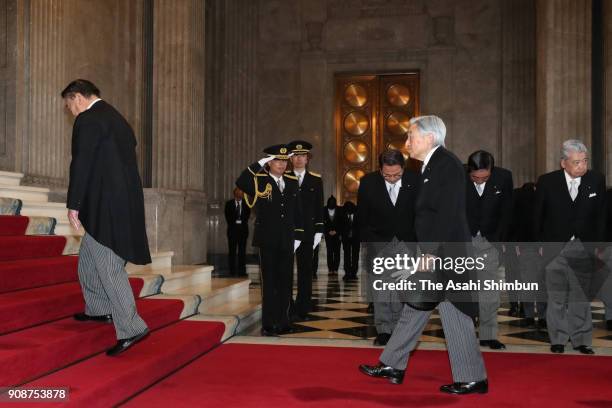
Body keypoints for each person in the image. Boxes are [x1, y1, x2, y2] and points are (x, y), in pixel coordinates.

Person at [359, 115, 488, 395]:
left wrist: (429, 251)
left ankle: (473, 378)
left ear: (429, 138)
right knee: (416, 306)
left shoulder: (447, 164)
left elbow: (448, 213)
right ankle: (393, 364)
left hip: (445, 253)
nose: (407, 142)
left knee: (455, 312)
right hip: (439, 251)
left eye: (411, 136)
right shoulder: (433, 165)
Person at [62, 79, 151, 356]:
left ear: (77, 97)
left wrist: (73, 204)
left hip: (107, 207)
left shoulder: (88, 119)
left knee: (108, 267)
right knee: (89, 257)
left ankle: (132, 326)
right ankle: (99, 309)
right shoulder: (117, 118)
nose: (70, 112)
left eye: (69, 105)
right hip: (122, 203)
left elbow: (82, 162)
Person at [534, 139, 606, 354]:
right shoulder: (547, 182)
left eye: (585, 161)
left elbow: (602, 216)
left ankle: (582, 339)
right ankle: (557, 339)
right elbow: (537, 216)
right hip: (555, 246)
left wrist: (597, 246)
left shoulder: (596, 180)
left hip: (584, 246)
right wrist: (538, 245)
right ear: (563, 163)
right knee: (556, 296)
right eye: (576, 162)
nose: (582, 166)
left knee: (580, 296)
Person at [235, 145, 303, 336]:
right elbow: (240, 181)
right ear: (269, 162)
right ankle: (269, 323)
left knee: (286, 281)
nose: (281, 164)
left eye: (284, 161)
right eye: (276, 160)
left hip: (287, 239)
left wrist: (298, 234)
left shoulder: (291, 181)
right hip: (267, 240)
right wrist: (259, 164)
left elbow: (297, 209)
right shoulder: (259, 180)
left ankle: (284, 321)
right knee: (270, 283)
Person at [357, 149, 419, 346]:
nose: (392, 179)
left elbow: (422, 213)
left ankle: (400, 330)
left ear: (403, 168)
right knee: (382, 287)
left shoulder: (416, 180)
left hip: (406, 241)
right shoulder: (368, 182)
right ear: (380, 169)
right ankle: (384, 329)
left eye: (397, 174)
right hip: (379, 241)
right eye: (387, 175)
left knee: (403, 288)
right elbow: (362, 216)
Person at [465, 150, 513, 350]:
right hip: (462, 240)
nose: (479, 181)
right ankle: (463, 334)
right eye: (475, 177)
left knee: (489, 291)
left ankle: (488, 334)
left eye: (484, 178)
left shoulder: (504, 177)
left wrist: (500, 242)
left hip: (489, 241)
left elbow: (507, 211)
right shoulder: (457, 176)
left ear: (491, 171)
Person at [286, 140, 324, 321]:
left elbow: (319, 207)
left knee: (305, 271)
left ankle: (303, 306)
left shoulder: (315, 180)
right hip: (287, 233)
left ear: (307, 159)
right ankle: (287, 305)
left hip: (308, 234)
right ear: (290, 159)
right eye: (295, 156)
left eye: (302, 156)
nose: (299, 159)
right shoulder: (283, 178)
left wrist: (319, 231)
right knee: (285, 271)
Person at [514, 182, 547, 329]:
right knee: (538, 283)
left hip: (531, 246)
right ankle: (540, 316)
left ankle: (532, 315)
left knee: (531, 283)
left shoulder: (522, 201)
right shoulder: (534, 202)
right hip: (531, 246)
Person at [224, 187, 250, 276]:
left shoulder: (246, 204)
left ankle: (242, 271)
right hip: (232, 232)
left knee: (242, 252)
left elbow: (247, 216)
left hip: (243, 232)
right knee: (232, 252)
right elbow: (228, 217)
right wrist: (236, 221)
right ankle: (232, 271)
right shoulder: (229, 204)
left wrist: (240, 221)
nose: (242, 194)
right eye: (240, 192)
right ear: (235, 193)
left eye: (242, 192)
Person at [339, 200, 360, 281]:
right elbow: (340, 226)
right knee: (346, 255)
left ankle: (354, 273)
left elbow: (360, 226)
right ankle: (347, 273)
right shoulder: (343, 215)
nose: (349, 212)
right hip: (346, 239)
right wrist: (341, 235)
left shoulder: (358, 214)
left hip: (356, 238)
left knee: (355, 256)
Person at [322, 196, 342, 277]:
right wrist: (327, 231)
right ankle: (330, 269)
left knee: (337, 252)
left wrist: (336, 231)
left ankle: (336, 269)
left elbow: (342, 222)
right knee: (329, 252)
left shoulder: (339, 210)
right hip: (328, 235)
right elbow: (322, 222)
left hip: (337, 235)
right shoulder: (324, 210)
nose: (331, 204)